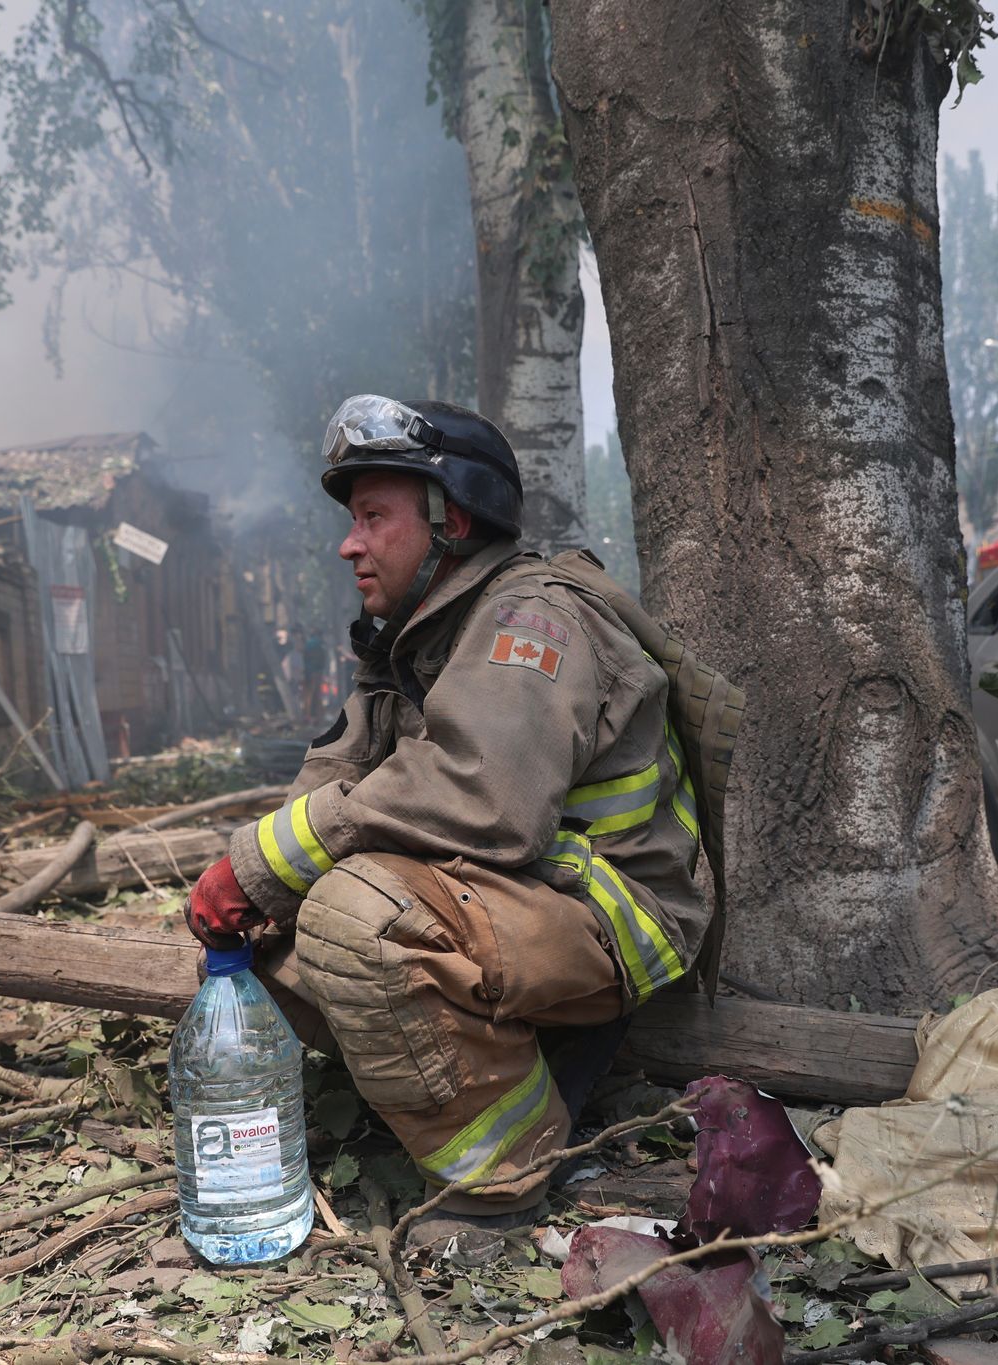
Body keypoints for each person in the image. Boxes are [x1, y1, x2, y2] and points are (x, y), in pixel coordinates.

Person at [184, 395, 736, 1255]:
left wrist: (262, 865)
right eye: (352, 518)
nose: (349, 542)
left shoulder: (533, 619)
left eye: (374, 516)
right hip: (513, 900)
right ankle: (436, 1101)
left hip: (610, 911)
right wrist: (257, 883)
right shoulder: (411, 642)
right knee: (280, 943)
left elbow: (479, 797)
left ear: (453, 517)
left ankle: (503, 1175)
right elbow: (334, 781)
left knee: (354, 920)